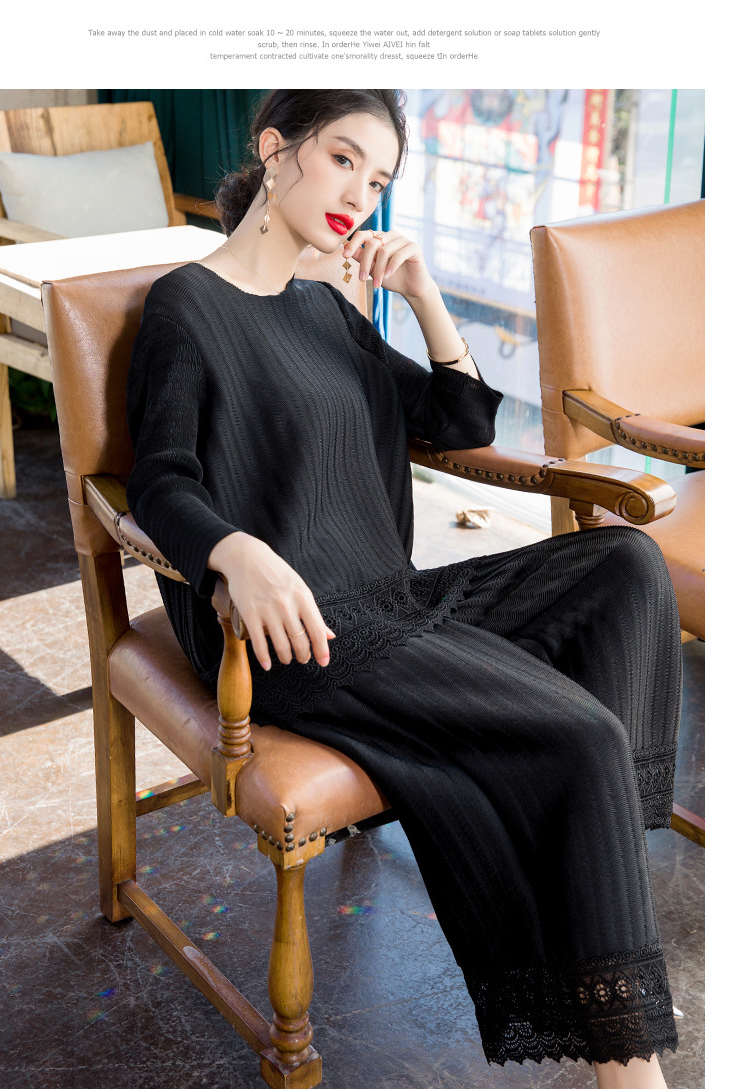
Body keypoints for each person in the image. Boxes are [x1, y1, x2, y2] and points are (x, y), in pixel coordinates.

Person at [125, 90, 681, 1088]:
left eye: (378, 179)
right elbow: (162, 480)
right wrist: (236, 552)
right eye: (343, 159)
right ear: (275, 150)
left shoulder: (325, 309)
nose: (360, 194)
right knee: (583, 735)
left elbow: (460, 422)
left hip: (394, 600)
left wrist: (423, 295)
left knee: (624, 567)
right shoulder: (186, 306)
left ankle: (599, 916)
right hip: (298, 634)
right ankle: (627, 1062)